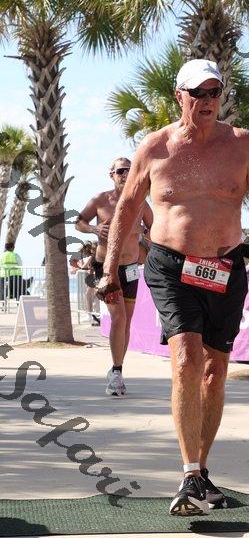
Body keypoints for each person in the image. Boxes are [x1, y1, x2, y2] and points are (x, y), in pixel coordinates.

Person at [97, 59, 249, 516]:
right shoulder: (155, 147)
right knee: (185, 359)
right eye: (198, 93)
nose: (207, 101)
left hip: (224, 266)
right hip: (170, 265)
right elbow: (126, 209)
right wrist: (108, 270)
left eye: (214, 92)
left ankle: (201, 471)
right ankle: (188, 473)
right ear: (179, 96)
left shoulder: (241, 144)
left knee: (215, 372)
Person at [76, 157, 153, 396]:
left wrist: (144, 232)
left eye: (129, 170)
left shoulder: (140, 202)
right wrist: (94, 228)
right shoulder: (100, 200)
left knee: (126, 321)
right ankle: (117, 373)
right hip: (106, 268)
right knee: (118, 317)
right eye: (120, 171)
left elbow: (155, 228)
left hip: (130, 268)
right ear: (111, 174)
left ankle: (117, 368)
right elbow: (79, 222)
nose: (125, 174)